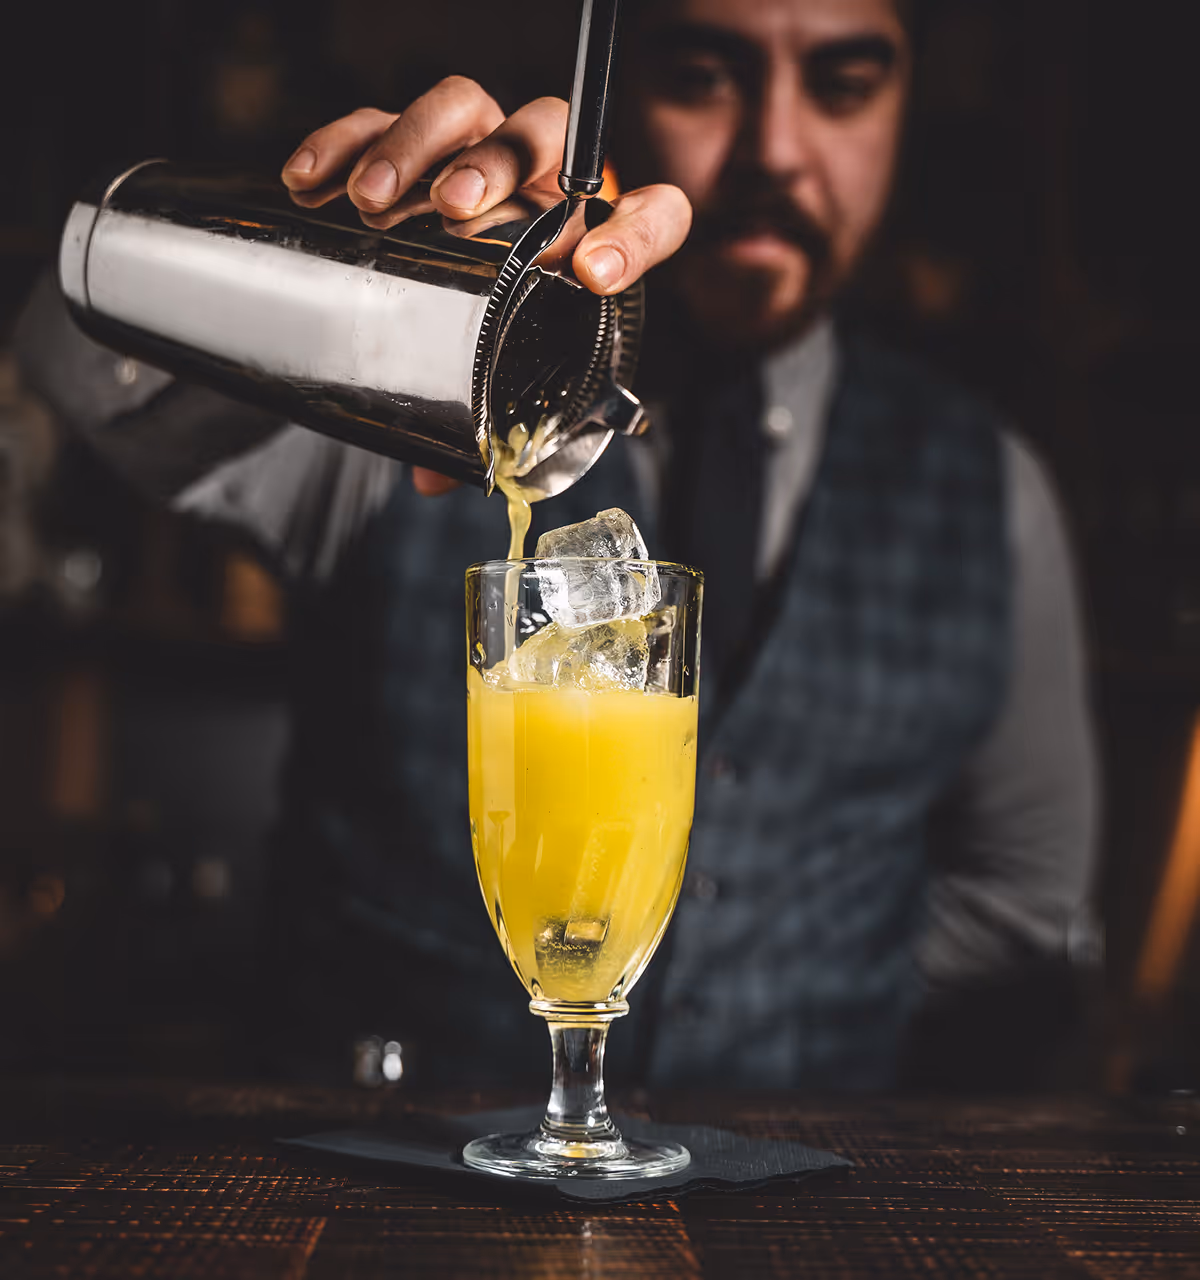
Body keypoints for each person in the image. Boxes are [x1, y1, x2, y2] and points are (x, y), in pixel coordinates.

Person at [16, 0, 1097, 1089]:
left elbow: (1028, 895)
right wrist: (328, 259)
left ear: (905, 106)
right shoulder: (397, 403)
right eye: (704, 77)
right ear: (615, 99)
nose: (776, 148)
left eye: (842, 85)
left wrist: (828, 974)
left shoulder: (997, 491)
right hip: (383, 1201)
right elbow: (69, 350)